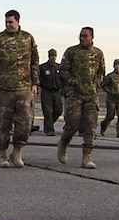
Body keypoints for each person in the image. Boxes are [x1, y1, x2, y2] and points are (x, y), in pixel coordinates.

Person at [0, 10, 40, 167]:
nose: (8, 25)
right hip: (3, 90)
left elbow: (35, 61)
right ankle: (2, 154)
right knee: (2, 124)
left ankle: (17, 152)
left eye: (11, 22)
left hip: (24, 89)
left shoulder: (28, 38)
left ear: (18, 21)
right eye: (6, 22)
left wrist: (35, 82)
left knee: (25, 123)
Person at [57, 27, 107, 168]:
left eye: (85, 36)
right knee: (72, 124)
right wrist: (73, 82)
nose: (82, 38)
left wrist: (96, 84)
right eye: (80, 36)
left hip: (91, 95)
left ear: (92, 37)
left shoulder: (98, 53)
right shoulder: (71, 52)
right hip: (75, 94)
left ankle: (87, 157)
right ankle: (63, 143)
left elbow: (101, 72)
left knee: (90, 126)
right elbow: (63, 70)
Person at [37, 48, 64, 136]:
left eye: (55, 55)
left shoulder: (59, 67)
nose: (53, 57)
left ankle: (49, 124)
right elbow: (38, 78)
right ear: (49, 56)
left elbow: (63, 79)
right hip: (46, 91)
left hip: (57, 91)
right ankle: (49, 129)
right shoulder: (42, 67)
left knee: (58, 110)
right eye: (52, 55)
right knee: (47, 111)